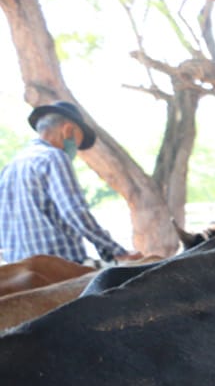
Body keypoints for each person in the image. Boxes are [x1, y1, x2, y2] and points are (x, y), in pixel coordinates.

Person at [0, 100, 139, 265]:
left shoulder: (10, 167)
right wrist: (117, 252)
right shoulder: (53, 157)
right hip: (56, 270)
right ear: (68, 130)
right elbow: (74, 212)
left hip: (21, 271)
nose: (75, 150)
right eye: (77, 143)